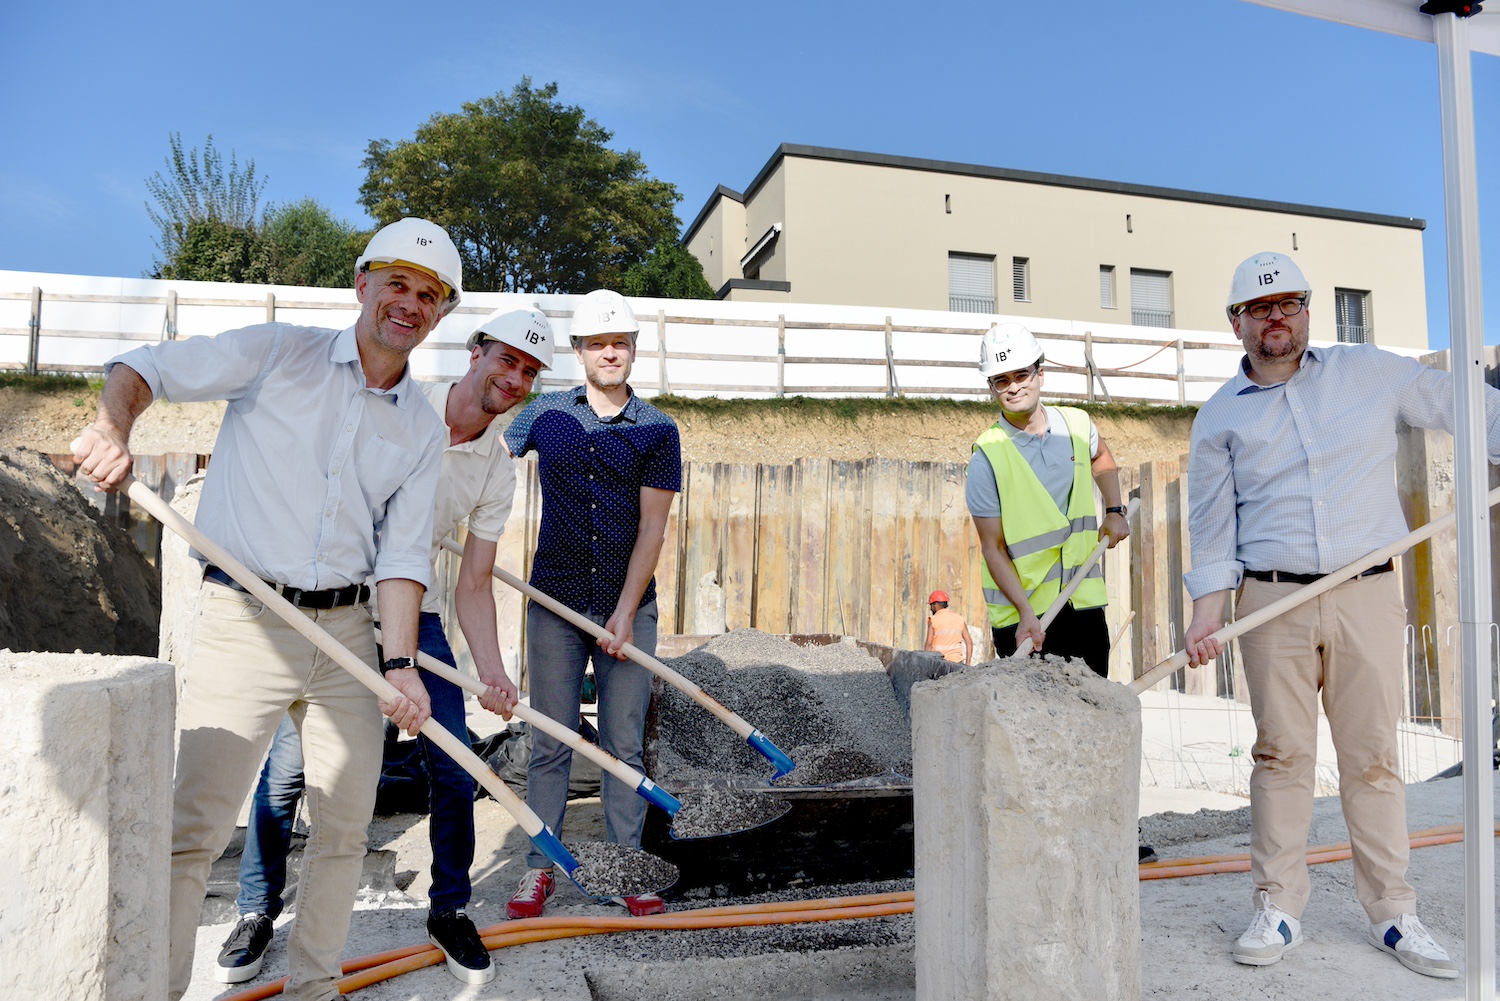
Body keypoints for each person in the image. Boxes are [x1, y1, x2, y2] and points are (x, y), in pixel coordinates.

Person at [73, 217, 459, 1001]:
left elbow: (402, 558)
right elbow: (143, 367)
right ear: (362, 284)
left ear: (441, 313)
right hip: (245, 619)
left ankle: (314, 990)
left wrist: (400, 664)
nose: (409, 303)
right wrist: (115, 424)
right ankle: (156, 990)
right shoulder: (277, 353)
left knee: (345, 829)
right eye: (397, 283)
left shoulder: (421, 428)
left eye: (429, 295)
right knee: (195, 833)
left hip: (349, 634)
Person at [214, 308, 554, 986]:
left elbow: (477, 583)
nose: (513, 377)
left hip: (416, 618)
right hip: (333, 607)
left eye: (528, 370)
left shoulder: (496, 469)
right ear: (476, 351)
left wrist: (491, 670)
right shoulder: (404, 401)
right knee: (288, 771)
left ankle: (450, 907)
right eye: (505, 359)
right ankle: (256, 910)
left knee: (455, 766)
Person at [1183, 251, 1497, 979]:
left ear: (1308, 310)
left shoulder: (1369, 373)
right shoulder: (1218, 420)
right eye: (1260, 308)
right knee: (1280, 755)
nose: (1277, 317)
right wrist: (1206, 615)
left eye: (1289, 303)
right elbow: (1211, 531)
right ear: (1237, 323)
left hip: (1366, 590)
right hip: (1269, 600)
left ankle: (1394, 912)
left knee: (1374, 758)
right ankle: (1278, 905)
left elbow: (1461, 406)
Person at [502, 288, 681, 919]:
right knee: (549, 739)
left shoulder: (659, 428)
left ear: (633, 350)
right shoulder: (543, 416)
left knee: (622, 744)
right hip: (553, 603)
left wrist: (627, 612)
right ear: (578, 351)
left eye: (620, 343)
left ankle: (626, 863)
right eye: (597, 343)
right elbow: (483, 461)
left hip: (627, 606)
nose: (610, 352)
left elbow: (653, 530)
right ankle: (538, 867)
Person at [965, 322, 1129, 678]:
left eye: (1021, 374)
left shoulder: (1078, 425)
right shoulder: (987, 457)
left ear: (1040, 373)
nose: (1014, 387)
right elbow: (992, 548)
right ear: (991, 387)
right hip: (1024, 620)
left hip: (1082, 607)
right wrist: (1025, 612)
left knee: (1091, 718)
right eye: (1001, 380)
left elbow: (1101, 457)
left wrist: (1115, 510)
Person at [923, 589, 972, 664]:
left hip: (940, 664)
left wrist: (925, 664)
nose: (930, 608)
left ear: (936, 605)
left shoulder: (933, 620)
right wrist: (968, 664)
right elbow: (969, 642)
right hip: (957, 663)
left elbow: (929, 644)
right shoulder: (959, 619)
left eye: (931, 605)